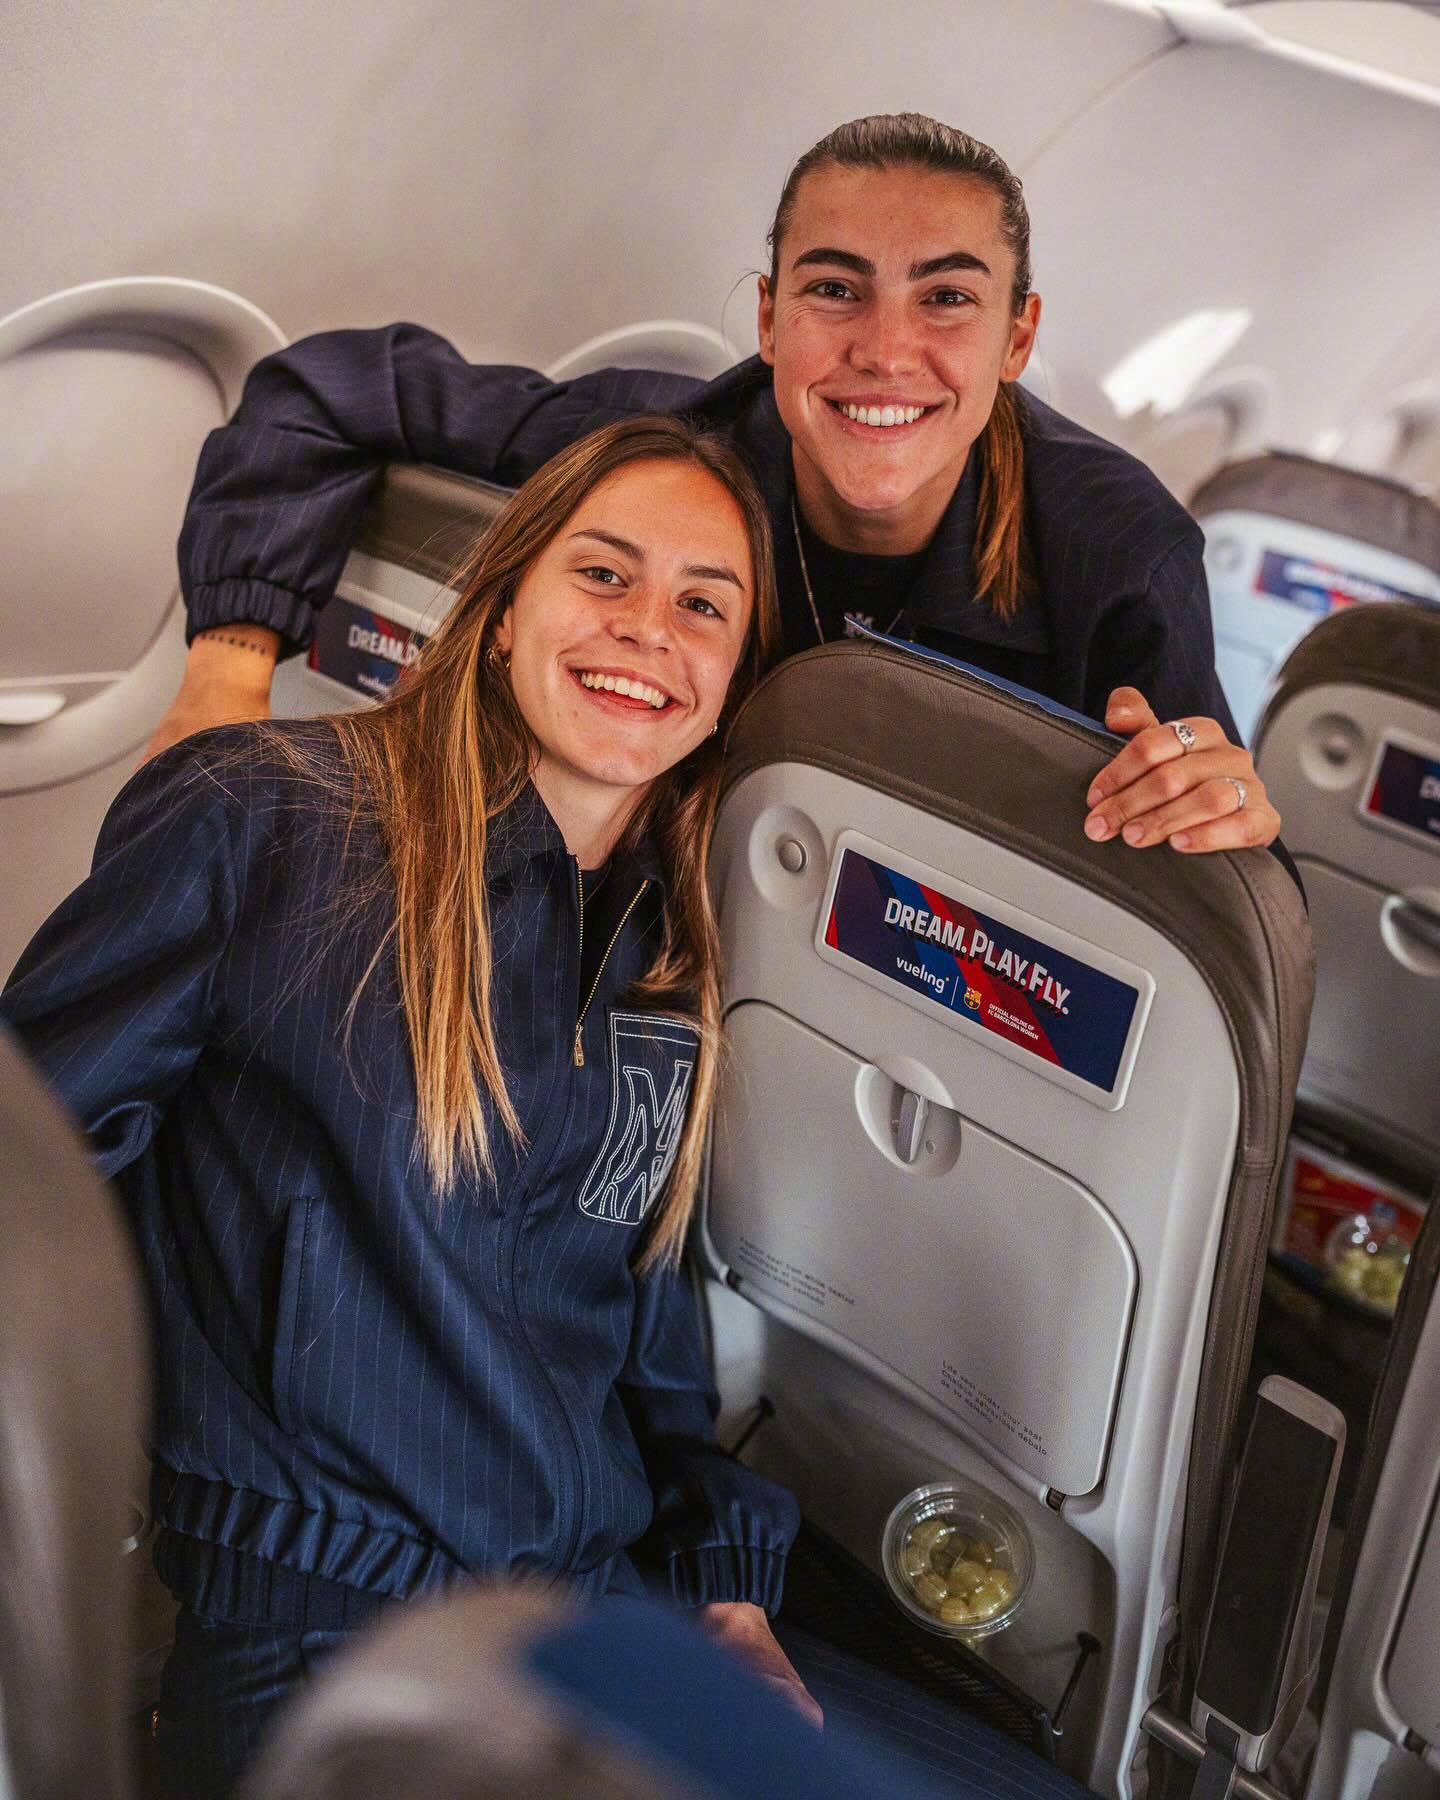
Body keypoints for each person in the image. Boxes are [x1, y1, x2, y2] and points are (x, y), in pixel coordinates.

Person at [1, 417, 822, 1798]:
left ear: (731, 681)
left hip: (590, 1623)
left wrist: (725, 1585)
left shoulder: (664, 959)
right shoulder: (267, 819)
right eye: (603, 574)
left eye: (704, 605)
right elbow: (26, 1170)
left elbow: (646, 1337)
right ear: (499, 616)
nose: (647, 628)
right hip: (325, 1635)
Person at [153, 110, 1282, 859]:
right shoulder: (666, 453)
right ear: (770, 318)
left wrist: (1220, 810)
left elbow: (1230, 890)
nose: (886, 351)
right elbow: (321, 390)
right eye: (835, 290)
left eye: (946, 299)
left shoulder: (1118, 553)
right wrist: (228, 679)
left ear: (1017, 338)